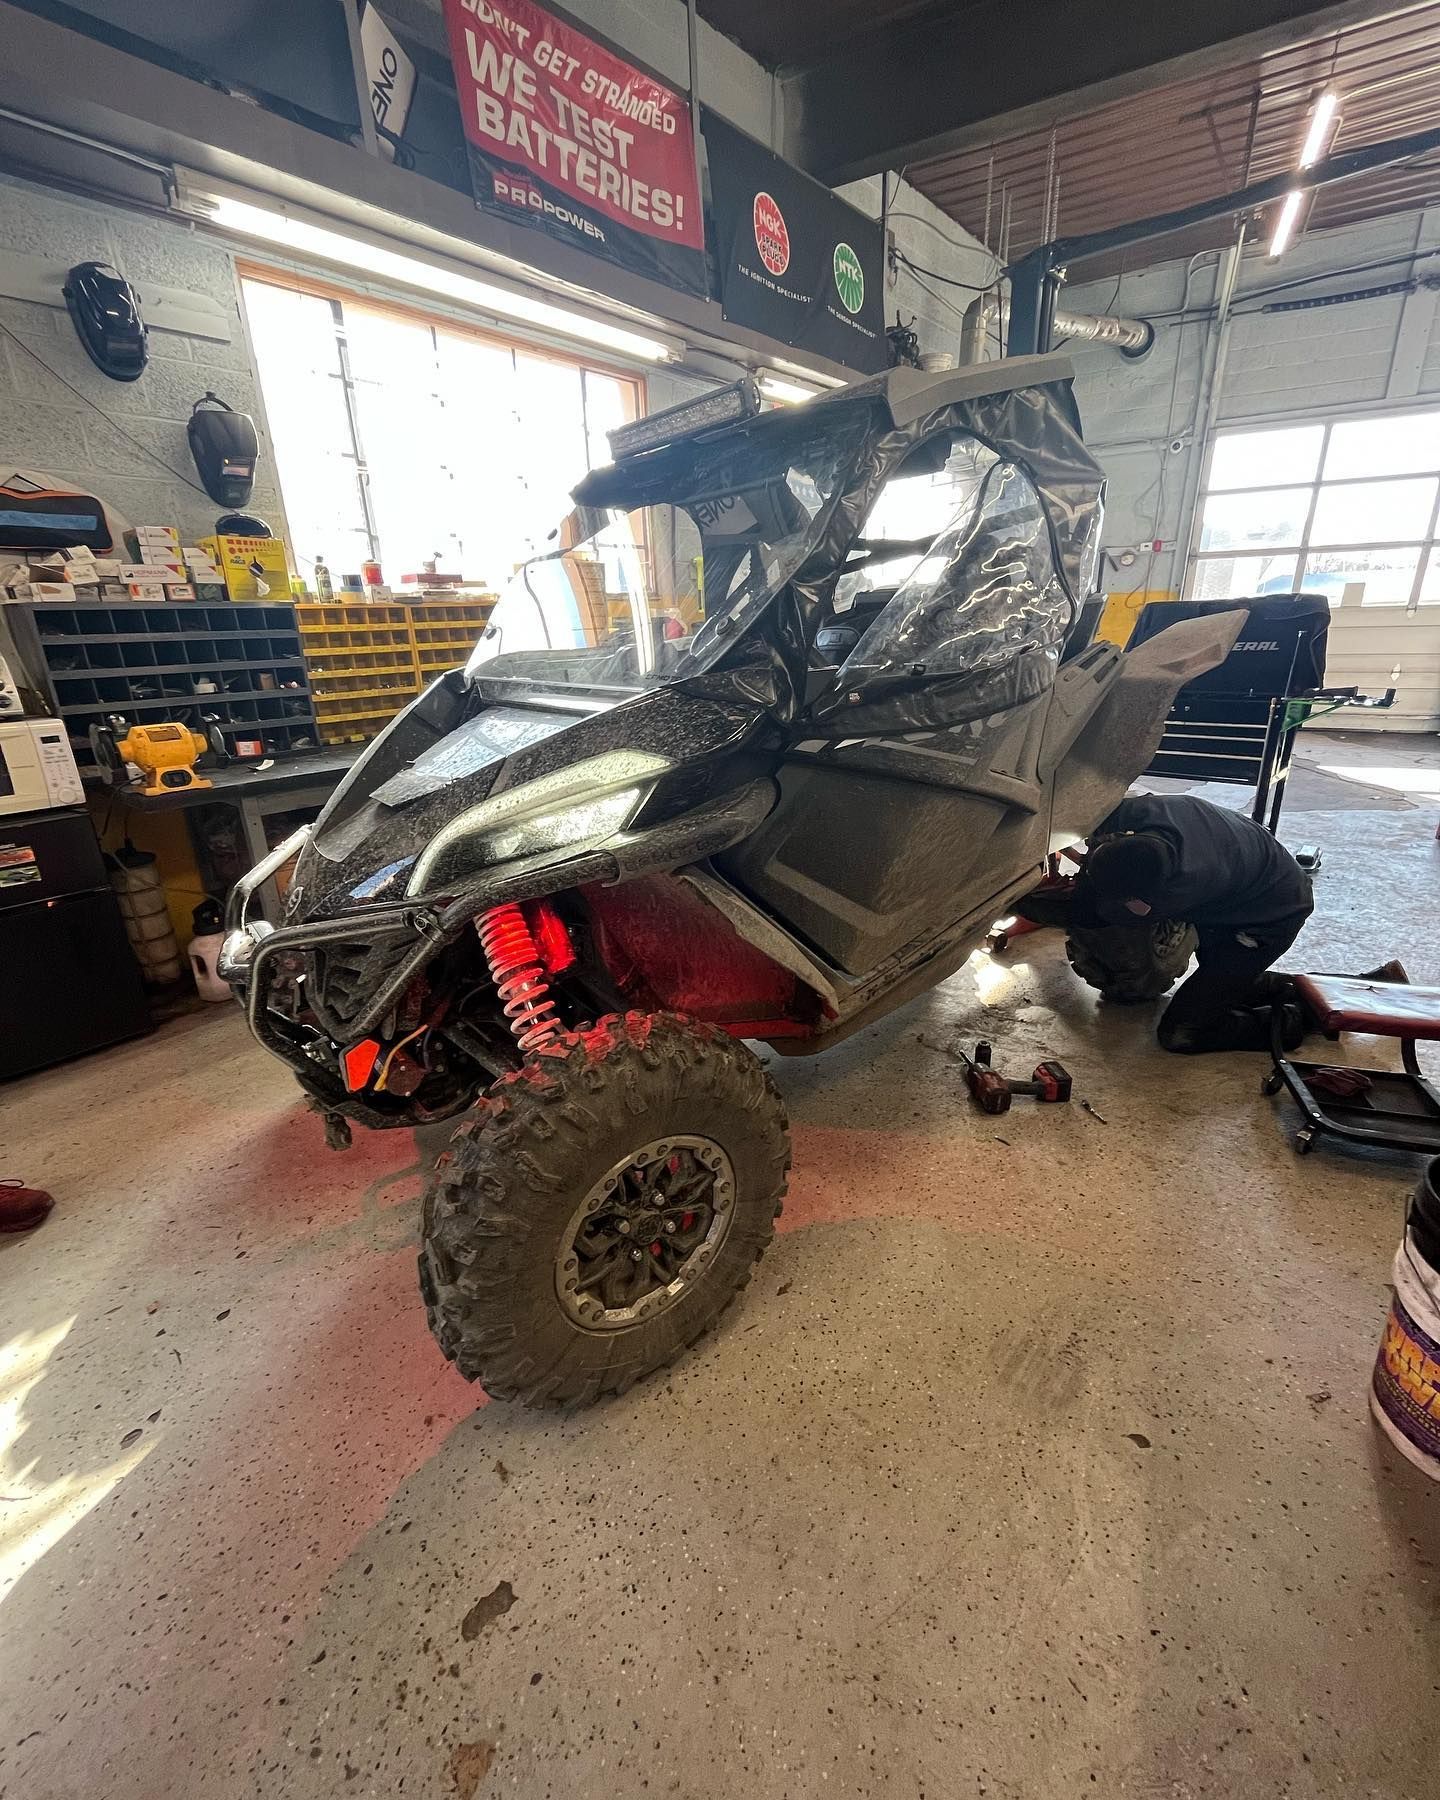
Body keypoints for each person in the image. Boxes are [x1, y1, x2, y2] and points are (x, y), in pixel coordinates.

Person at [1076, 794, 1314, 1054]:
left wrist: (1046, 903)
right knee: (1220, 985)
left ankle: (1293, 1022)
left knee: (1181, 1034)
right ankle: (1273, 986)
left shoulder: (1185, 884)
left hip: (1269, 919)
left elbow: (1098, 915)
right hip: (1253, 874)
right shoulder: (1131, 811)